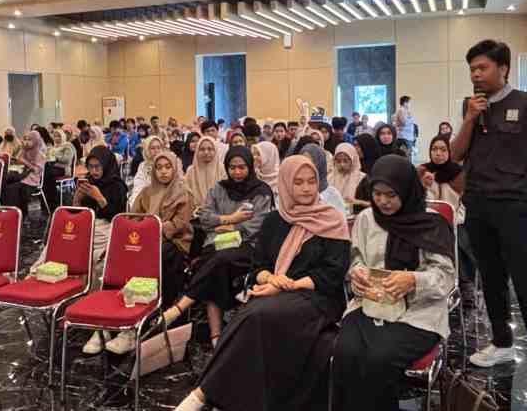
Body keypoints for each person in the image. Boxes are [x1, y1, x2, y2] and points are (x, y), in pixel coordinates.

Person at [173, 155, 350, 411]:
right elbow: (259, 266)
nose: (306, 188)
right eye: (298, 182)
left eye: (311, 181)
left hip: (317, 295)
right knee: (251, 315)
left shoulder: (332, 219)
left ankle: (202, 394)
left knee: (258, 314)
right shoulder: (275, 221)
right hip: (275, 291)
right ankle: (218, 395)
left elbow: (332, 273)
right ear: (286, 184)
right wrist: (271, 278)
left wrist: (287, 284)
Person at [451, 39, 527, 399]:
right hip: (479, 206)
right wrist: (469, 118)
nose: (476, 74)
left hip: (516, 208)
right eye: (472, 69)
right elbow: (455, 155)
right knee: (490, 278)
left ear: (503, 68)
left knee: (526, 283)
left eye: (482, 67)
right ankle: (502, 342)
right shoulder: (472, 108)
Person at [333, 154, 456, 411]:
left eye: (391, 195)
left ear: (407, 190)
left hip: (418, 313)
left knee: (378, 358)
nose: (383, 201)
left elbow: (445, 277)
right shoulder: (367, 218)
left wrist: (412, 280)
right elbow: (356, 259)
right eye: (377, 194)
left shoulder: (431, 223)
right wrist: (357, 273)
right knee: (345, 352)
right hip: (370, 305)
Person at [163, 146, 274, 349]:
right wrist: (230, 218)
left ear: (250, 167)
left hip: (246, 247)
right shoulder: (219, 188)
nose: (237, 172)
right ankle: (216, 336)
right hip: (215, 243)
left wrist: (224, 226)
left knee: (217, 262)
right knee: (215, 264)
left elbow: (255, 226)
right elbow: (204, 218)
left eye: (242, 167)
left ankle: (182, 308)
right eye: (232, 167)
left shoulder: (261, 192)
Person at [106, 151, 195, 354]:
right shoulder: (147, 192)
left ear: (175, 168)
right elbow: (133, 216)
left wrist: (151, 231)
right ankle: (114, 317)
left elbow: (179, 224)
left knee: (156, 256)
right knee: (124, 253)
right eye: (159, 167)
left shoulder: (183, 193)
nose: (163, 172)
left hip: (174, 242)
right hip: (147, 240)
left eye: (168, 167)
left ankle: (146, 317)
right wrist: (140, 232)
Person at [75, 146, 129, 355]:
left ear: (106, 165)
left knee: (98, 263)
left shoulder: (117, 185)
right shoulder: (88, 183)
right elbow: (77, 212)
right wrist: (78, 197)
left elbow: (118, 216)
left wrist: (99, 198)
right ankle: (81, 307)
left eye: (98, 167)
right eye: (90, 167)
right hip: (87, 227)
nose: (94, 171)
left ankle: (101, 319)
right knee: (68, 255)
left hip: (109, 229)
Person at [418, 135, 476, 282]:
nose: (438, 153)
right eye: (434, 149)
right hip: (428, 221)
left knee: (461, 243)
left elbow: (463, 200)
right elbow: (415, 199)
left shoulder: (458, 173)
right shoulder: (422, 171)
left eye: (443, 150)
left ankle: (465, 283)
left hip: (455, 221)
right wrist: (423, 186)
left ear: (449, 152)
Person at [1, 130, 46, 215]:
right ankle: (7, 211)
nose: (27, 142)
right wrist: (19, 157)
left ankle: (17, 213)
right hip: (22, 176)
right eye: (25, 139)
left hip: (32, 180)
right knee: (5, 183)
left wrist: (25, 162)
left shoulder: (40, 154)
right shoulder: (25, 151)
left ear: (36, 141)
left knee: (13, 188)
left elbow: (36, 170)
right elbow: (19, 161)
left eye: (30, 140)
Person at [301, 143, 346, 216]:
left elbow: (340, 220)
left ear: (320, 164)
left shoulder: (332, 195)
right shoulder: (296, 191)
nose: (306, 167)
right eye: (303, 162)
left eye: (310, 163)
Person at [184, 136, 226, 212]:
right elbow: (186, 194)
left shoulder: (222, 169)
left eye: (210, 149)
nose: (206, 152)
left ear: (215, 151)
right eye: (202, 149)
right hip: (195, 213)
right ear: (197, 151)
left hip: (219, 212)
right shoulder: (191, 171)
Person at [128, 136, 165, 208]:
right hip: (148, 201)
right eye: (153, 148)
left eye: (159, 148)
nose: (156, 151)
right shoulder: (143, 166)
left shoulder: (168, 164)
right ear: (147, 150)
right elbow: (138, 187)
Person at [331, 142, 367, 214]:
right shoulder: (330, 178)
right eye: (338, 161)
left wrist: (358, 202)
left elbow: (373, 205)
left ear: (353, 160)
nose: (342, 164)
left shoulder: (363, 178)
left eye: (345, 161)